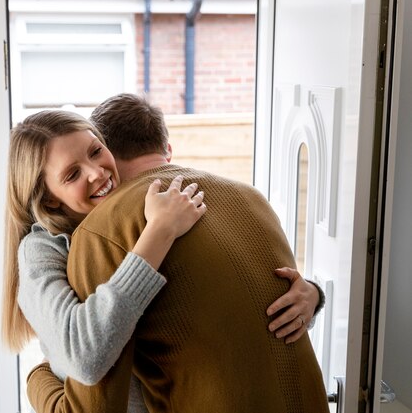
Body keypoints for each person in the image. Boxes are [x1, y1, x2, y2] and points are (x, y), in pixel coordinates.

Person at [26, 94, 329, 413]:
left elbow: (93, 404)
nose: (97, 174)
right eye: (73, 173)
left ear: (109, 152)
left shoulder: (103, 231)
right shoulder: (252, 198)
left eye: (95, 154)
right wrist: (313, 294)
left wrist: (39, 375)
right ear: (167, 148)